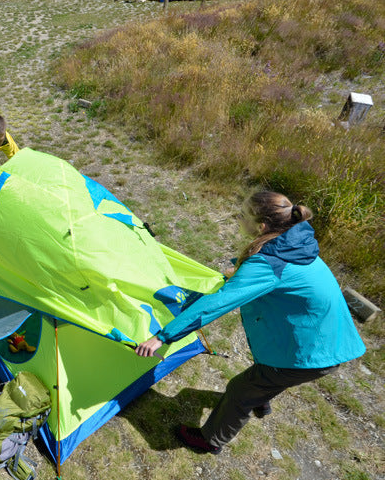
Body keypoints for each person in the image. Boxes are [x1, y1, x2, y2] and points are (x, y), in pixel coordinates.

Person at [135, 191, 366, 454]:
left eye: (243, 214)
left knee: (241, 390)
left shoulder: (271, 263)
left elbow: (218, 303)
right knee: (268, 374)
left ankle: (209, 440)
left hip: (313, 353)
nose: (237, 216)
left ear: (261, 226)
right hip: (331, 337)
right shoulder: (294, 242)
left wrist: (163, 336)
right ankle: (262, 399)